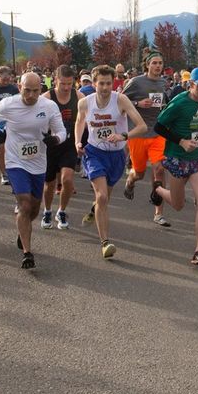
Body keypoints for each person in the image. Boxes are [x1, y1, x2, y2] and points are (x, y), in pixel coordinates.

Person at [0, 72, 67, 270]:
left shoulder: (48, 106)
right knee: (24, 202)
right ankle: (27, 253)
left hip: (38, 162)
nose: (30, 95)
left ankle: (23, 228)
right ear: (19, 87)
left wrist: (55, 139)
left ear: (41, 89)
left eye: (35, 91)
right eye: (27, 90)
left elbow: (62, 131)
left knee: (34, 208)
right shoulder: (9, 104)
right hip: (15, 161)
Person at [75, 65, 150, 258]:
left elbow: (142, 126)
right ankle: (105, 242)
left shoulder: (121, 100)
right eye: (101, 83)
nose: (105, 87)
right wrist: (77, 141)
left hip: (116, 155)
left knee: (104, 198)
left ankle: (95, 209)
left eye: (109, 83)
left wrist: (124, 135)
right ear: (94, 84)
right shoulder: (85, 103)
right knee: (101, 197)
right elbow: (79, 121)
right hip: (94, 152)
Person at [150, 67, 198, 266]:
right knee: (178, 205)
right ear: (191, 84)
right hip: (178, 157)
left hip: (197, 158)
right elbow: (159, 127)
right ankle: (158, 189)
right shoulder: (179, 103)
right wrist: (181, 142)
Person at [121, 49, 172, 227]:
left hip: (157, 132)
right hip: (138, 132)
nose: (158, 66)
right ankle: (131, 179)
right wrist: (138, 103)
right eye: (154, 63)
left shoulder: (164, 83)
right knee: (140, 173)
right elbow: (120, 101)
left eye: (160, 63)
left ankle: (158, 212)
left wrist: (165, 107)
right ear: (147, 65)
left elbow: (164, 104)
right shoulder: (136, 82)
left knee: (159, 168)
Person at [40, 65, 81, 230]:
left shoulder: (78, 96)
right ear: (55, 80)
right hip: (50, 146)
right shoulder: (46, 97)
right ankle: (48, 210)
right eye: (62, 83)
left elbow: (86, 118)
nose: (65, 87)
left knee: (68, 180)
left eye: (69, 84)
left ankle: (61, 211)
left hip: (69, 146)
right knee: (49, 184)